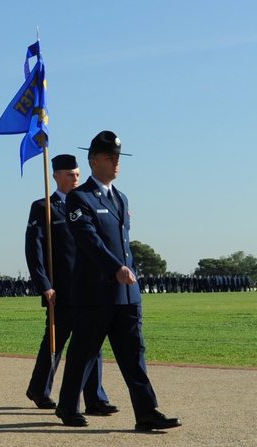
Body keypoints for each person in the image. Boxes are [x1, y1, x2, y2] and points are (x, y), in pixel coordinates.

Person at [56, 130, 180, 431]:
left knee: (134, 354)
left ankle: (147, 411)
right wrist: (115, 268)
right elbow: (89, 240)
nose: (116, 164)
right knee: (83, 353)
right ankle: (68, 407)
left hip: (126, 294)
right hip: (96, 292)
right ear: (93, 161)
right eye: (110, 158)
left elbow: (124, 243)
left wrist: (130, 272)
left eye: (118, 159)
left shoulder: (121, 198)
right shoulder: (79, 197)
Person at [24, 154, 114, 414]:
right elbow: (34, 249)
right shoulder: (43, 207)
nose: (75, 178)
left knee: (92, 343)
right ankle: (39, 389)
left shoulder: (87, 204)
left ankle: (95, 398)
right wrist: (44, 284)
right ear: (55, 177)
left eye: (77, 174)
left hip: (89, 287)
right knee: (55, 341)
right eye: (69, 175)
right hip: (60, 289)